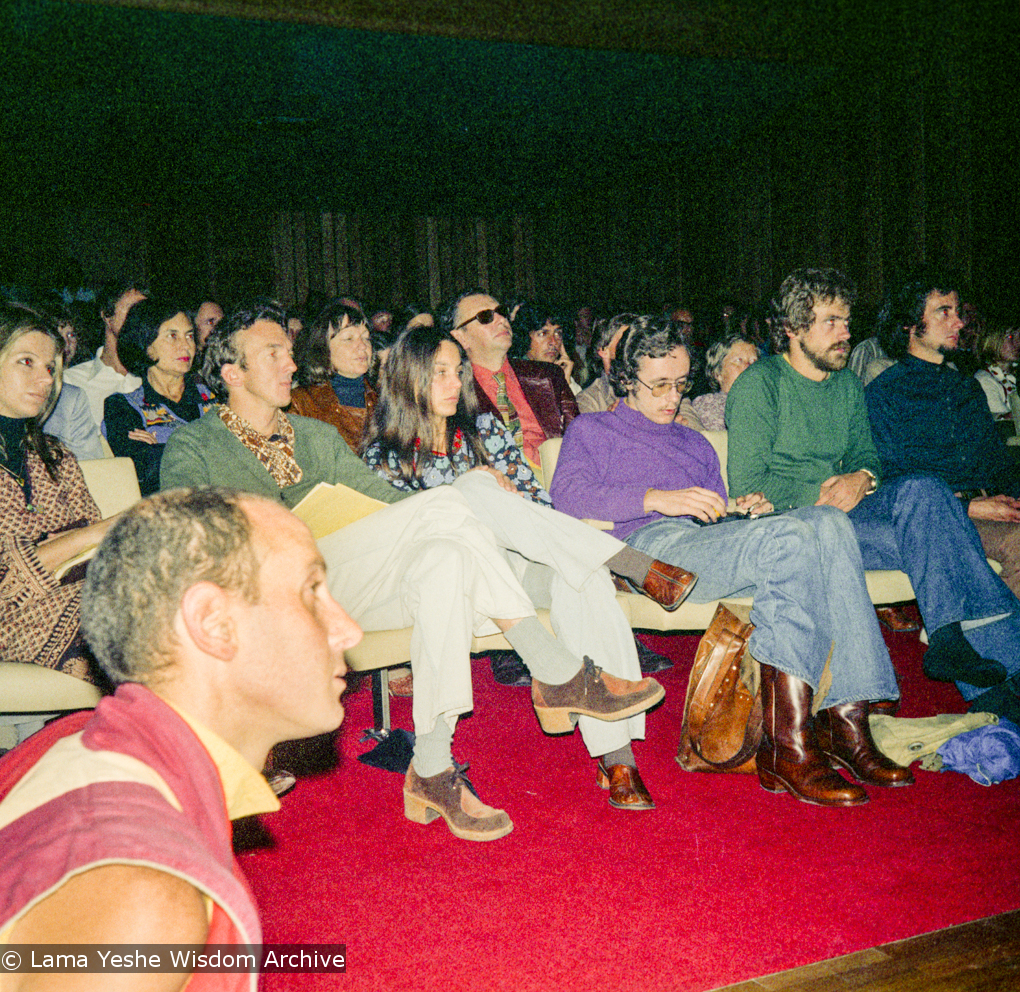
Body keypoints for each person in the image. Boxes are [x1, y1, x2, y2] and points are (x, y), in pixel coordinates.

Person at [162, 302, 689, 835]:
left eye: (288, 353)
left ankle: (433, 766)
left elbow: (389, 504)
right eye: (272, 354)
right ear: (231, 372)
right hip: (280, 593)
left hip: (360, 584)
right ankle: (559, 663)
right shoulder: (194, 444)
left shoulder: (314, 436)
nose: (291, 365)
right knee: (465, 494)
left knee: (446, 557)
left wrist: (467, 505)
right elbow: (191, 541)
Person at [0, 487, 361, 985]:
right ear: (213, 623)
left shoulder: (77, 737)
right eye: (311, 592)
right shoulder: (143, 902)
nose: (348, 630)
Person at [552, 316, 911, 807]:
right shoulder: (592, 430)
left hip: (710, 543)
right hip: (655, 553)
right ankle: (791, 746)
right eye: (658, 385)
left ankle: (849, 720)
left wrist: (745, 510)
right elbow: (567, 497)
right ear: (623, 378)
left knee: (828, 523)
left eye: (679, 384)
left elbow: (718, 510)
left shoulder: (693, 441)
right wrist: (657, 498)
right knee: (792, 537)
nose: (671, 398)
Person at [726, 268, 1020, 722]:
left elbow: (869, 456)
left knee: (926, 488)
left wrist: (862, 476)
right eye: (831, 323)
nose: (846, 334)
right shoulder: (760, 385)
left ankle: (945, 638)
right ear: (792, 329)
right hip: (799, 524)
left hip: (857, 514)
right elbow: (748, 484)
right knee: (946, 537)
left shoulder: (846, 384)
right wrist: (822, 490)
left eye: (847, 321)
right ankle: (999, 678)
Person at [865, 273, 1020, 602]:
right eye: (943, 312)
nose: (960, 322)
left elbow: (997, 461)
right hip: (941, 518)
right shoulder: (887, 392)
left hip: (990, 505)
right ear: (910, 323)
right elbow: (895, 483)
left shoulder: (965, 387)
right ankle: (990, 640)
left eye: (957, 312)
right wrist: (968, 506)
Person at [0, 303, 120, 685]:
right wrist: (87, 535)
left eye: (51, 367)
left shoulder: (53, 454)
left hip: (76, 598)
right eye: (26, 362)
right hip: (17, 621)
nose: (44, 378)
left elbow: (90, 547)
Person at [363, 324, 550, 504]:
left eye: (459, 372)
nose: (457, 383)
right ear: (408, 377)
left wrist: (509, 494)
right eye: (441, 372)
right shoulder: (385, 458)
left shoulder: (487, 432)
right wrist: (467, 488)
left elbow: (540, 502)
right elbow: (409, 525)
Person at [443, 289, 578, 470]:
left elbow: (579, 442)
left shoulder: (548, 376)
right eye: (486, 317)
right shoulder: (452, 393)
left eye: (502, 312)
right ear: (461, 336)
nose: (501, 320)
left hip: (562, 475)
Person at [104, 299, 215, 496]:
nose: (186, 346)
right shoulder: (123, 406)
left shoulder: (215, 396)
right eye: (172, 336)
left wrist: (162, 450)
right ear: (146, 344)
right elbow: (144, 471)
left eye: (189, 336)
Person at [289, 300, 377, 452]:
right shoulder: (301, 403)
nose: (363, 346)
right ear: (323, 348)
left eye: (366, 337)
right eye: (349, 338)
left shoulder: (386, 399)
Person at [63, 280, 147, 430]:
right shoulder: (72, 381)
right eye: (131, 309)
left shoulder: (157, 378)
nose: (139, 318)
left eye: (144, 312)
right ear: (107, 316)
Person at [691, 332, 759, 430]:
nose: (748, 367)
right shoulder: (709, 404)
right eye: (738, 360)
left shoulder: (768, 402)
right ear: (718, 373)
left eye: (753, 361)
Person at [511, 303, 582, 394]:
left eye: (558, 334)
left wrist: (565, 382)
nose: (553, 342)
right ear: (525, 337)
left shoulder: (557, 371)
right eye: (543, 334)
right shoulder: (514, 375)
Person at [973, 322, 1019, 427]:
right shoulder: (984, 379)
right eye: (1010, 337)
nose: (1017, 343)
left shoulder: (1014, 376)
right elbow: (1004, 424)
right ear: (993, 340)